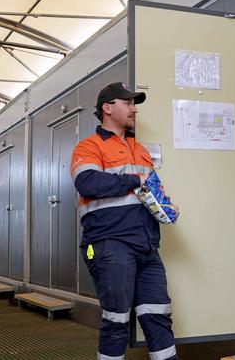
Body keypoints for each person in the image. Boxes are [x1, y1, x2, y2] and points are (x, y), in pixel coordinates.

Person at [71, 82, 178, 360]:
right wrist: (135, 180)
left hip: (146, 246)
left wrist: (166, 206)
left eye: (135, 104)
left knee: (158, 316)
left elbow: (152, 189)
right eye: (127, 103)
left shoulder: (140, 150)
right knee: (117, 321)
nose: (134, 109)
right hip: (110, 244)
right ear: (108, 108)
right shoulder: (89, 146)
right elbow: (88, 182)